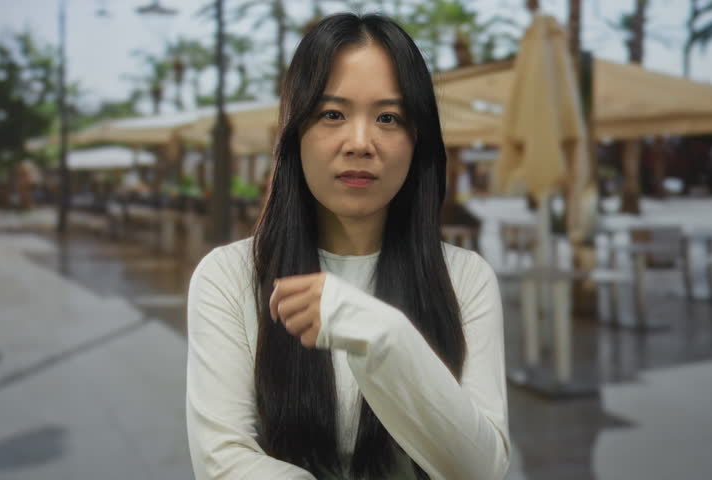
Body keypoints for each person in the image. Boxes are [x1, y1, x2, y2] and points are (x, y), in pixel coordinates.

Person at [186, 13, 510, 480]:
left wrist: (384, 336)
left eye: (388, 117)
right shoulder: (228, 276)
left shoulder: (466, 279)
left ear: (416, 140)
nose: (360, 143)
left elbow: (481, 470)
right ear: (296, 132)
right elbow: (223, 461)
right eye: (332, 114)